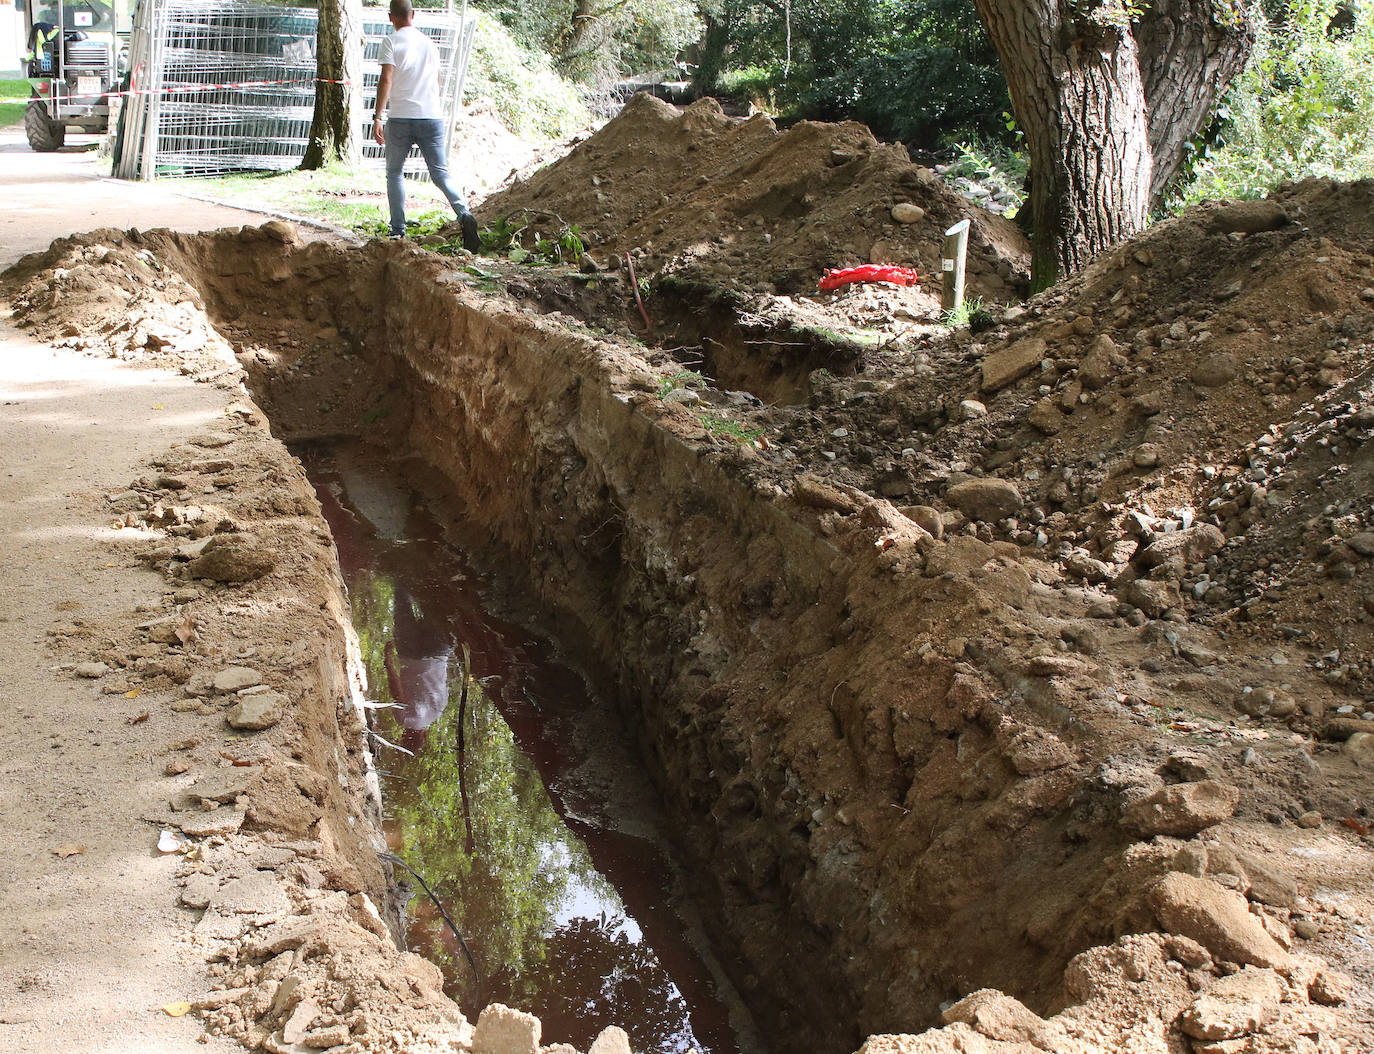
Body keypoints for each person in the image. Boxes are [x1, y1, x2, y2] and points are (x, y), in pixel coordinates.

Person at [372, 0, 480, 249]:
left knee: (395, 173)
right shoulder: (429, 44)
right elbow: (438, 81)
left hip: (400, 117)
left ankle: (398, 231)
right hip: (431, 116)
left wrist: (377, 116)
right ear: (413, 14)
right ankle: (464, 213)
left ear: (391, 17)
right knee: (440, 173)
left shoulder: (391, 41)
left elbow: (386, 79)